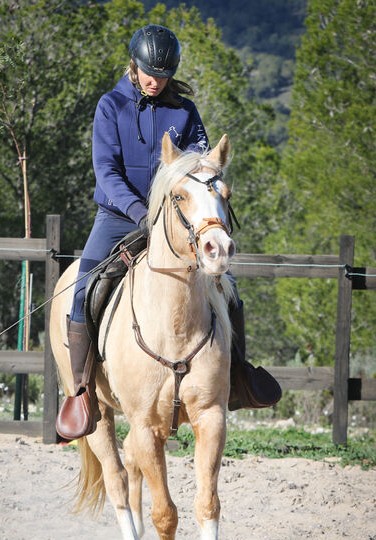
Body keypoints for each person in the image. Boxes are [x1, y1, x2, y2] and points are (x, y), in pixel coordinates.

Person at [56, 24, 281, 441]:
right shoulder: (110, 106)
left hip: (177, 220)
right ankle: (81, 390)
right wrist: (140, 211)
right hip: (119, 216)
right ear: (134, 65)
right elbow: (106, 172)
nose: (154, 81)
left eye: (162, 74)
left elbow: (201, 165)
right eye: (148, 73)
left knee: (226, 284)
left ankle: (237, 375)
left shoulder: (185, 111)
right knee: (85, 285)